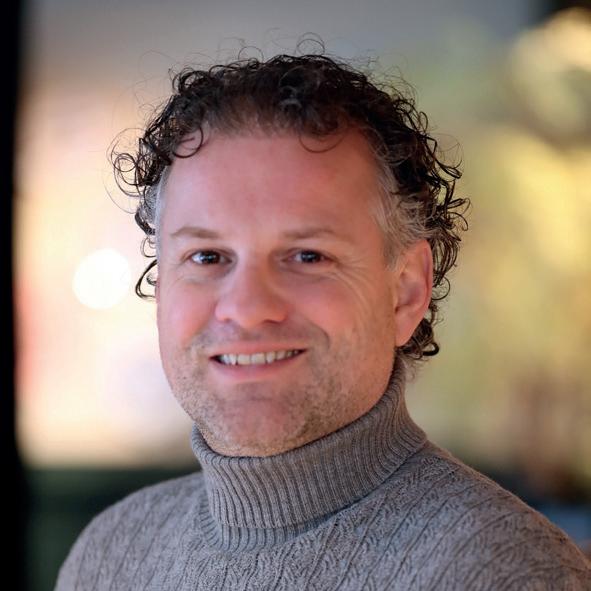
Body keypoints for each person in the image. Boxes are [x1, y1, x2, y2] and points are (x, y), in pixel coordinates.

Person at [55, 52, 590, 590]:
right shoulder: (110, 556)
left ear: (406, 293)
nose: (247, 306)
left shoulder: (499, 571)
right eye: (207, 257)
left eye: (308, 256)